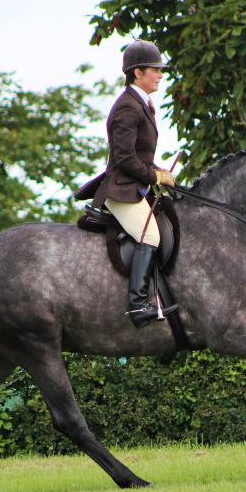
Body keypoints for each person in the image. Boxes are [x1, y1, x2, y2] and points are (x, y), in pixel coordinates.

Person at [91, 40, 178, 329]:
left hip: (134, 185)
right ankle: (138, 305)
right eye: (155, 70)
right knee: (149, 236)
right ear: (138, 72)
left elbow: (140, 155)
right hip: (120, 189)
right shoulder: (128, 107)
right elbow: (125, 158)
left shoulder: (142, 104)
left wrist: (158, 170)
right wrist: (153, 177)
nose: (160, 75)